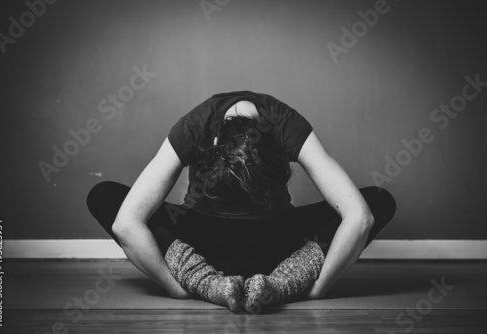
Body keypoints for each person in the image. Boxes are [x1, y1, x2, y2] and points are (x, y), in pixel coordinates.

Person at [86, 91, 396, 314]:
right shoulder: (195, 128)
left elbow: (360, 217)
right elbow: (126, 221)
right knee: (105, 196)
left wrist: (317, 288)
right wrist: (177, 286)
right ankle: (213, 282)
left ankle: (275, 283)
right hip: (203, 242)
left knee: (377, 201)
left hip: (275, 243)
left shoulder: (286, 125)